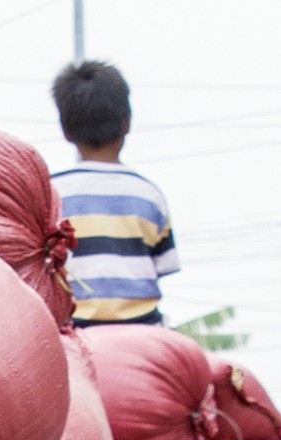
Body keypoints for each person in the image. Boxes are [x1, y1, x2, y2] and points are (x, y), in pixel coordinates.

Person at [50, 57, 182, 328]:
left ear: (65, 129)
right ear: (127, 122)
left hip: (72, 333)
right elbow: (164, 266)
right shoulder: (148, 195)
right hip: (142, 333)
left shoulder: (51, 194)